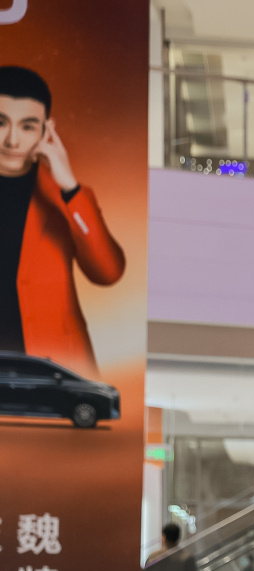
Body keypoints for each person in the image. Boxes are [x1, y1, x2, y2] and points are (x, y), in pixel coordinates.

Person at [0, 65, 126, 378]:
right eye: (0, 123)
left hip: (53, 372)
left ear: (47, 130)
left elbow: (108, 272)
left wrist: (69, 186)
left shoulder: (67, 196)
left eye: (27, 126)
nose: (12, 141)